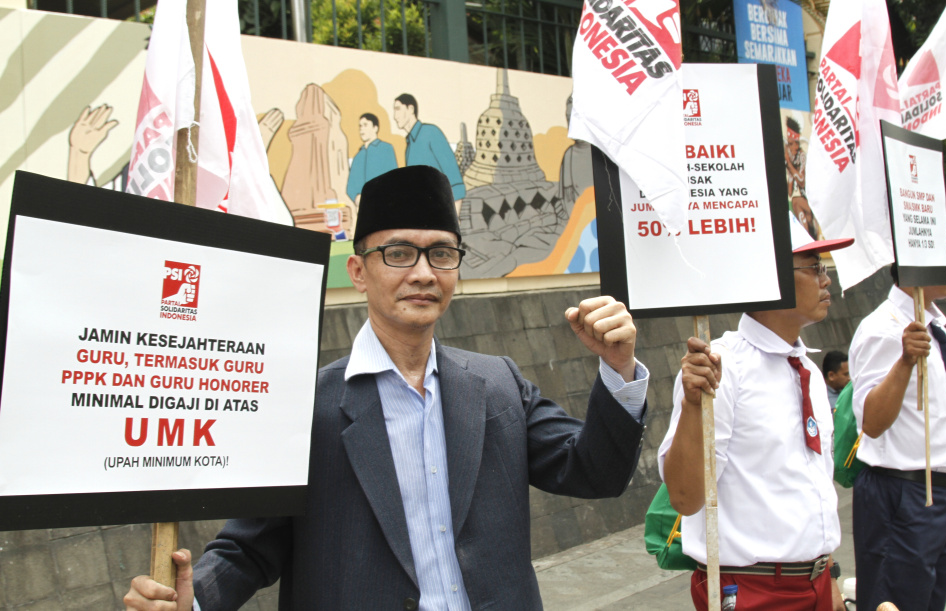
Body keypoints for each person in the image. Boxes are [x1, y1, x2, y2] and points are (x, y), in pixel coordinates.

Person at [123, 165, 649, 611]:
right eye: (399, 253)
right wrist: (189, 601)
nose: (423, 273)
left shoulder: (497, 385)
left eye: (441, 254)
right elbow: (251, 549)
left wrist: (618, 368)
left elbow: (593, 471)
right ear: (358, 270)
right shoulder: (309, 407)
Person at [659, 214, 850, 611]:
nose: (826, 279)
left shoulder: (811, 372)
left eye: (824, 268)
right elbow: (684, 496)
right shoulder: (720, 369)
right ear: (771, 275)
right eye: (814, 267)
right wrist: (695, 406)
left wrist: (826, 573)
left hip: (816, 582)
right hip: (751, 589)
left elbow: (811, 490)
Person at [848, 233, 946, 611]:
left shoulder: (934, 325)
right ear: (913, 262)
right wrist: (905, 362)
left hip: (940, 491)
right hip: (903, 494)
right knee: (897, 603)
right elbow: (872, 422)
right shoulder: (884, 328)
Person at [393, 94, 466, 203]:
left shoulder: (431, 133)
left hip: (440, 212)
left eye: (398, 109)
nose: (395, 116)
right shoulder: (409, 146)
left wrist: (453, 219)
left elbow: (455, 183)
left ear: (411, 109)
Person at [346, 112, 397, 204]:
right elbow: (350, 186)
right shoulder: (358, 156)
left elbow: (394, 177)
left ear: (375, 128)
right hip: (363, 207)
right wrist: (357, 198)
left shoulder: (386, 148)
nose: (361, 129)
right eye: (360, 126)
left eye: (365, 125)